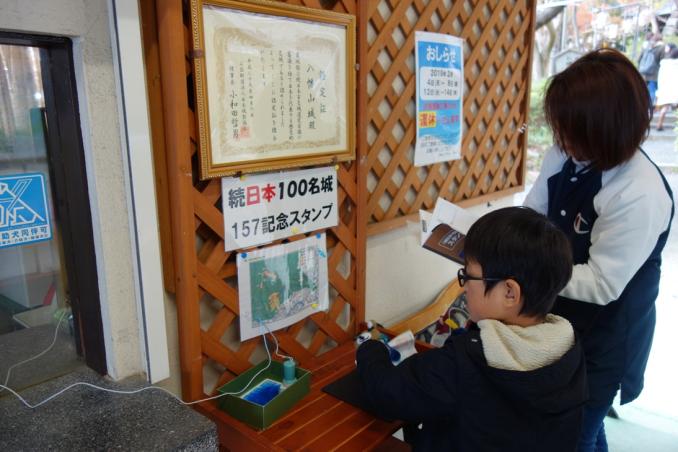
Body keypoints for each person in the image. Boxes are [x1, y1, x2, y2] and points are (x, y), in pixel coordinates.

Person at [524, 48, 674, 451]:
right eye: (560, 127)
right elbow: (534, 212)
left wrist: (529, 268)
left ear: (605, 128)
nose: (561, 139)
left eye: (571, 130)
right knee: (581, 427)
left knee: (577, 432)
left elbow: (603, 283)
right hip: (563, 318)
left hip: (608, 335)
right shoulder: (566, 153)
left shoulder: (638, 191)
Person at [356, 207, 587, 451]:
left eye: (468, 276)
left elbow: (387, 393)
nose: (464, 287)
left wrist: (370, 348)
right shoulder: (570, 351)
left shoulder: (466, 363)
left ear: (509, 293)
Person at [637, 33, 665, 106]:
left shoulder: (647, 46)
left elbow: (639, 59)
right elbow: (663, 61)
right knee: (653, 90)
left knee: (642, 89)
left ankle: (641, 104)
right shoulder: (662, 48)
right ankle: (650, 106)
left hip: (643, 72)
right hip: (654, 74)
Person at [655, 47, 678, 131]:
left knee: (665, 107)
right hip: (675, 88)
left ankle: (659, 124)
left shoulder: (664, 64)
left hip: (665, 88)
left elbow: (660, 77)